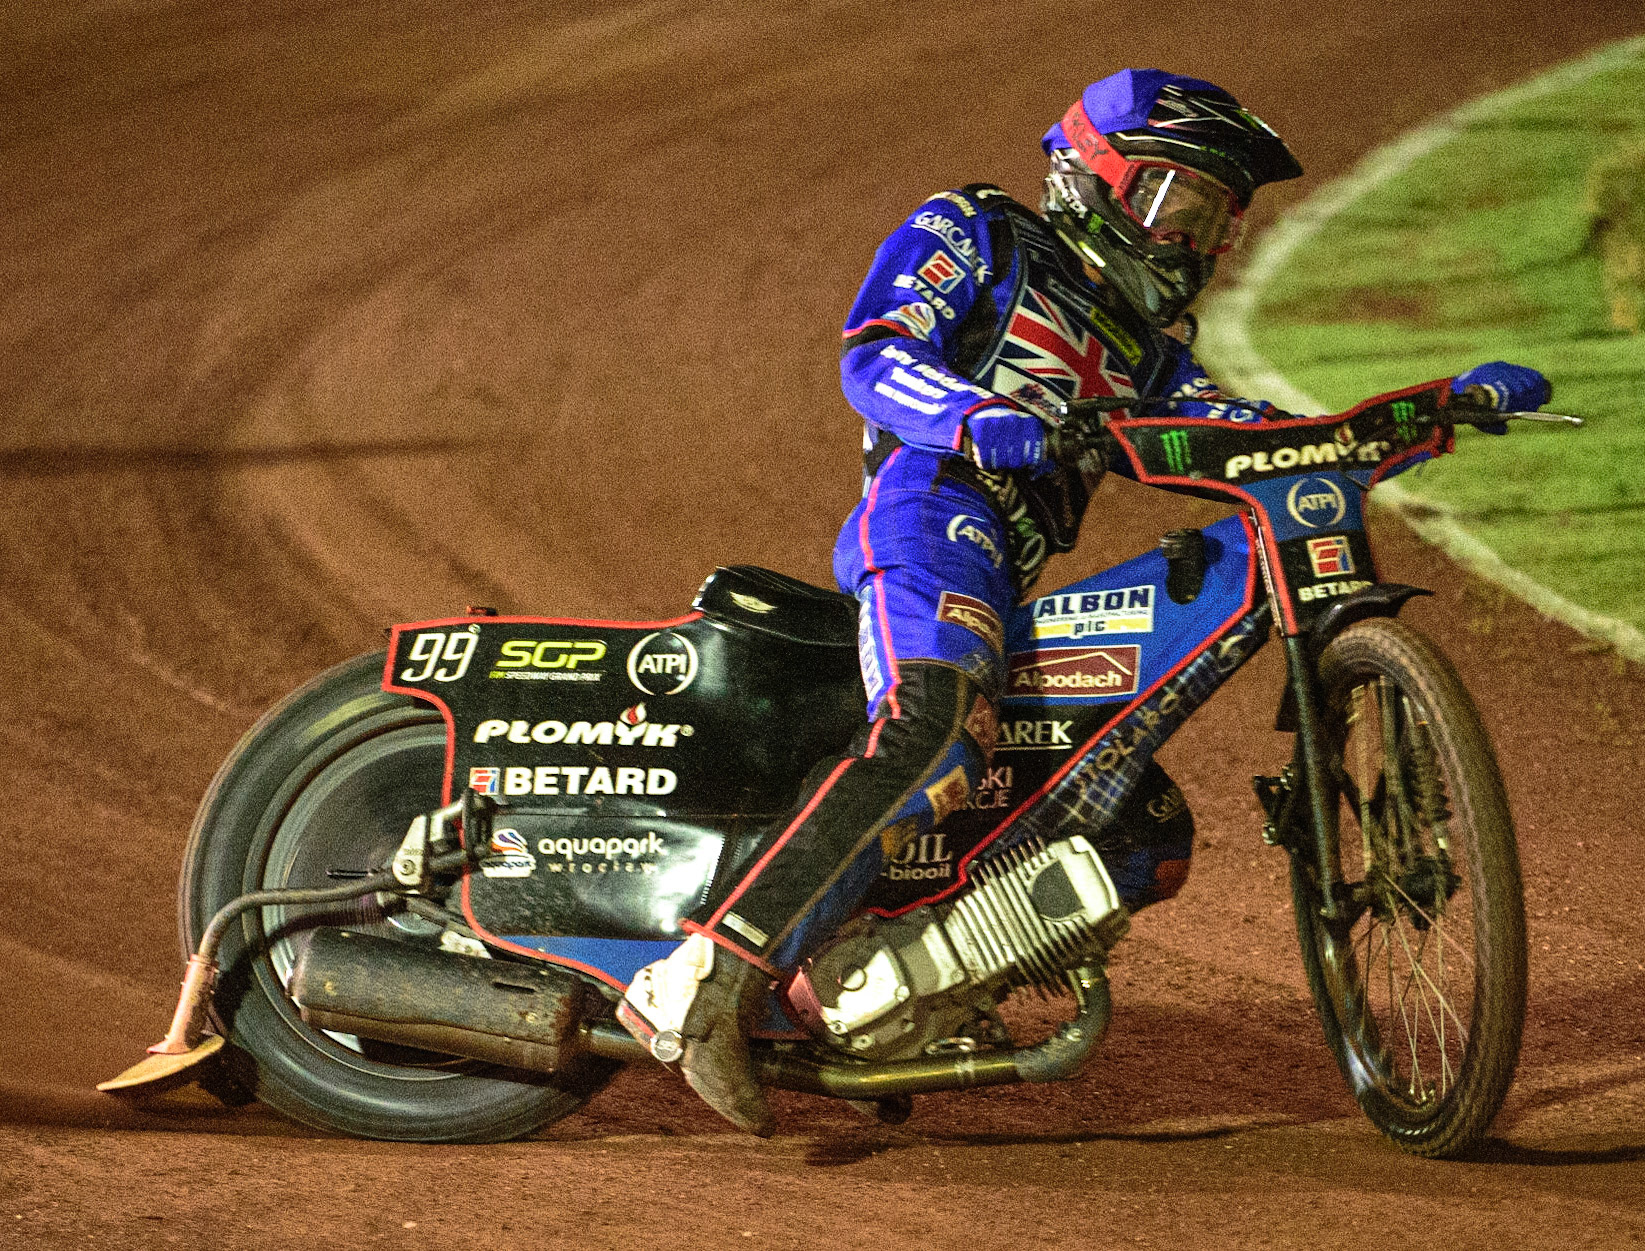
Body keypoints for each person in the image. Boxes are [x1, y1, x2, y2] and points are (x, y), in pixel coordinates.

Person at [619, 68, 1551, 1135]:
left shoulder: (1152, 355)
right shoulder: (977, 230)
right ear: (1087, 179)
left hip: (1007, 579)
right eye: (1172, 202)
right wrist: (977, 418)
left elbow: (1251, 439)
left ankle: (883, 998)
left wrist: (1431, 408)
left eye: (1215, 220)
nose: (1190, 239)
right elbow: (874, 357)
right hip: (930, 516)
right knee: (936, 733)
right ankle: (702, 982)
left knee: (1136, 825)